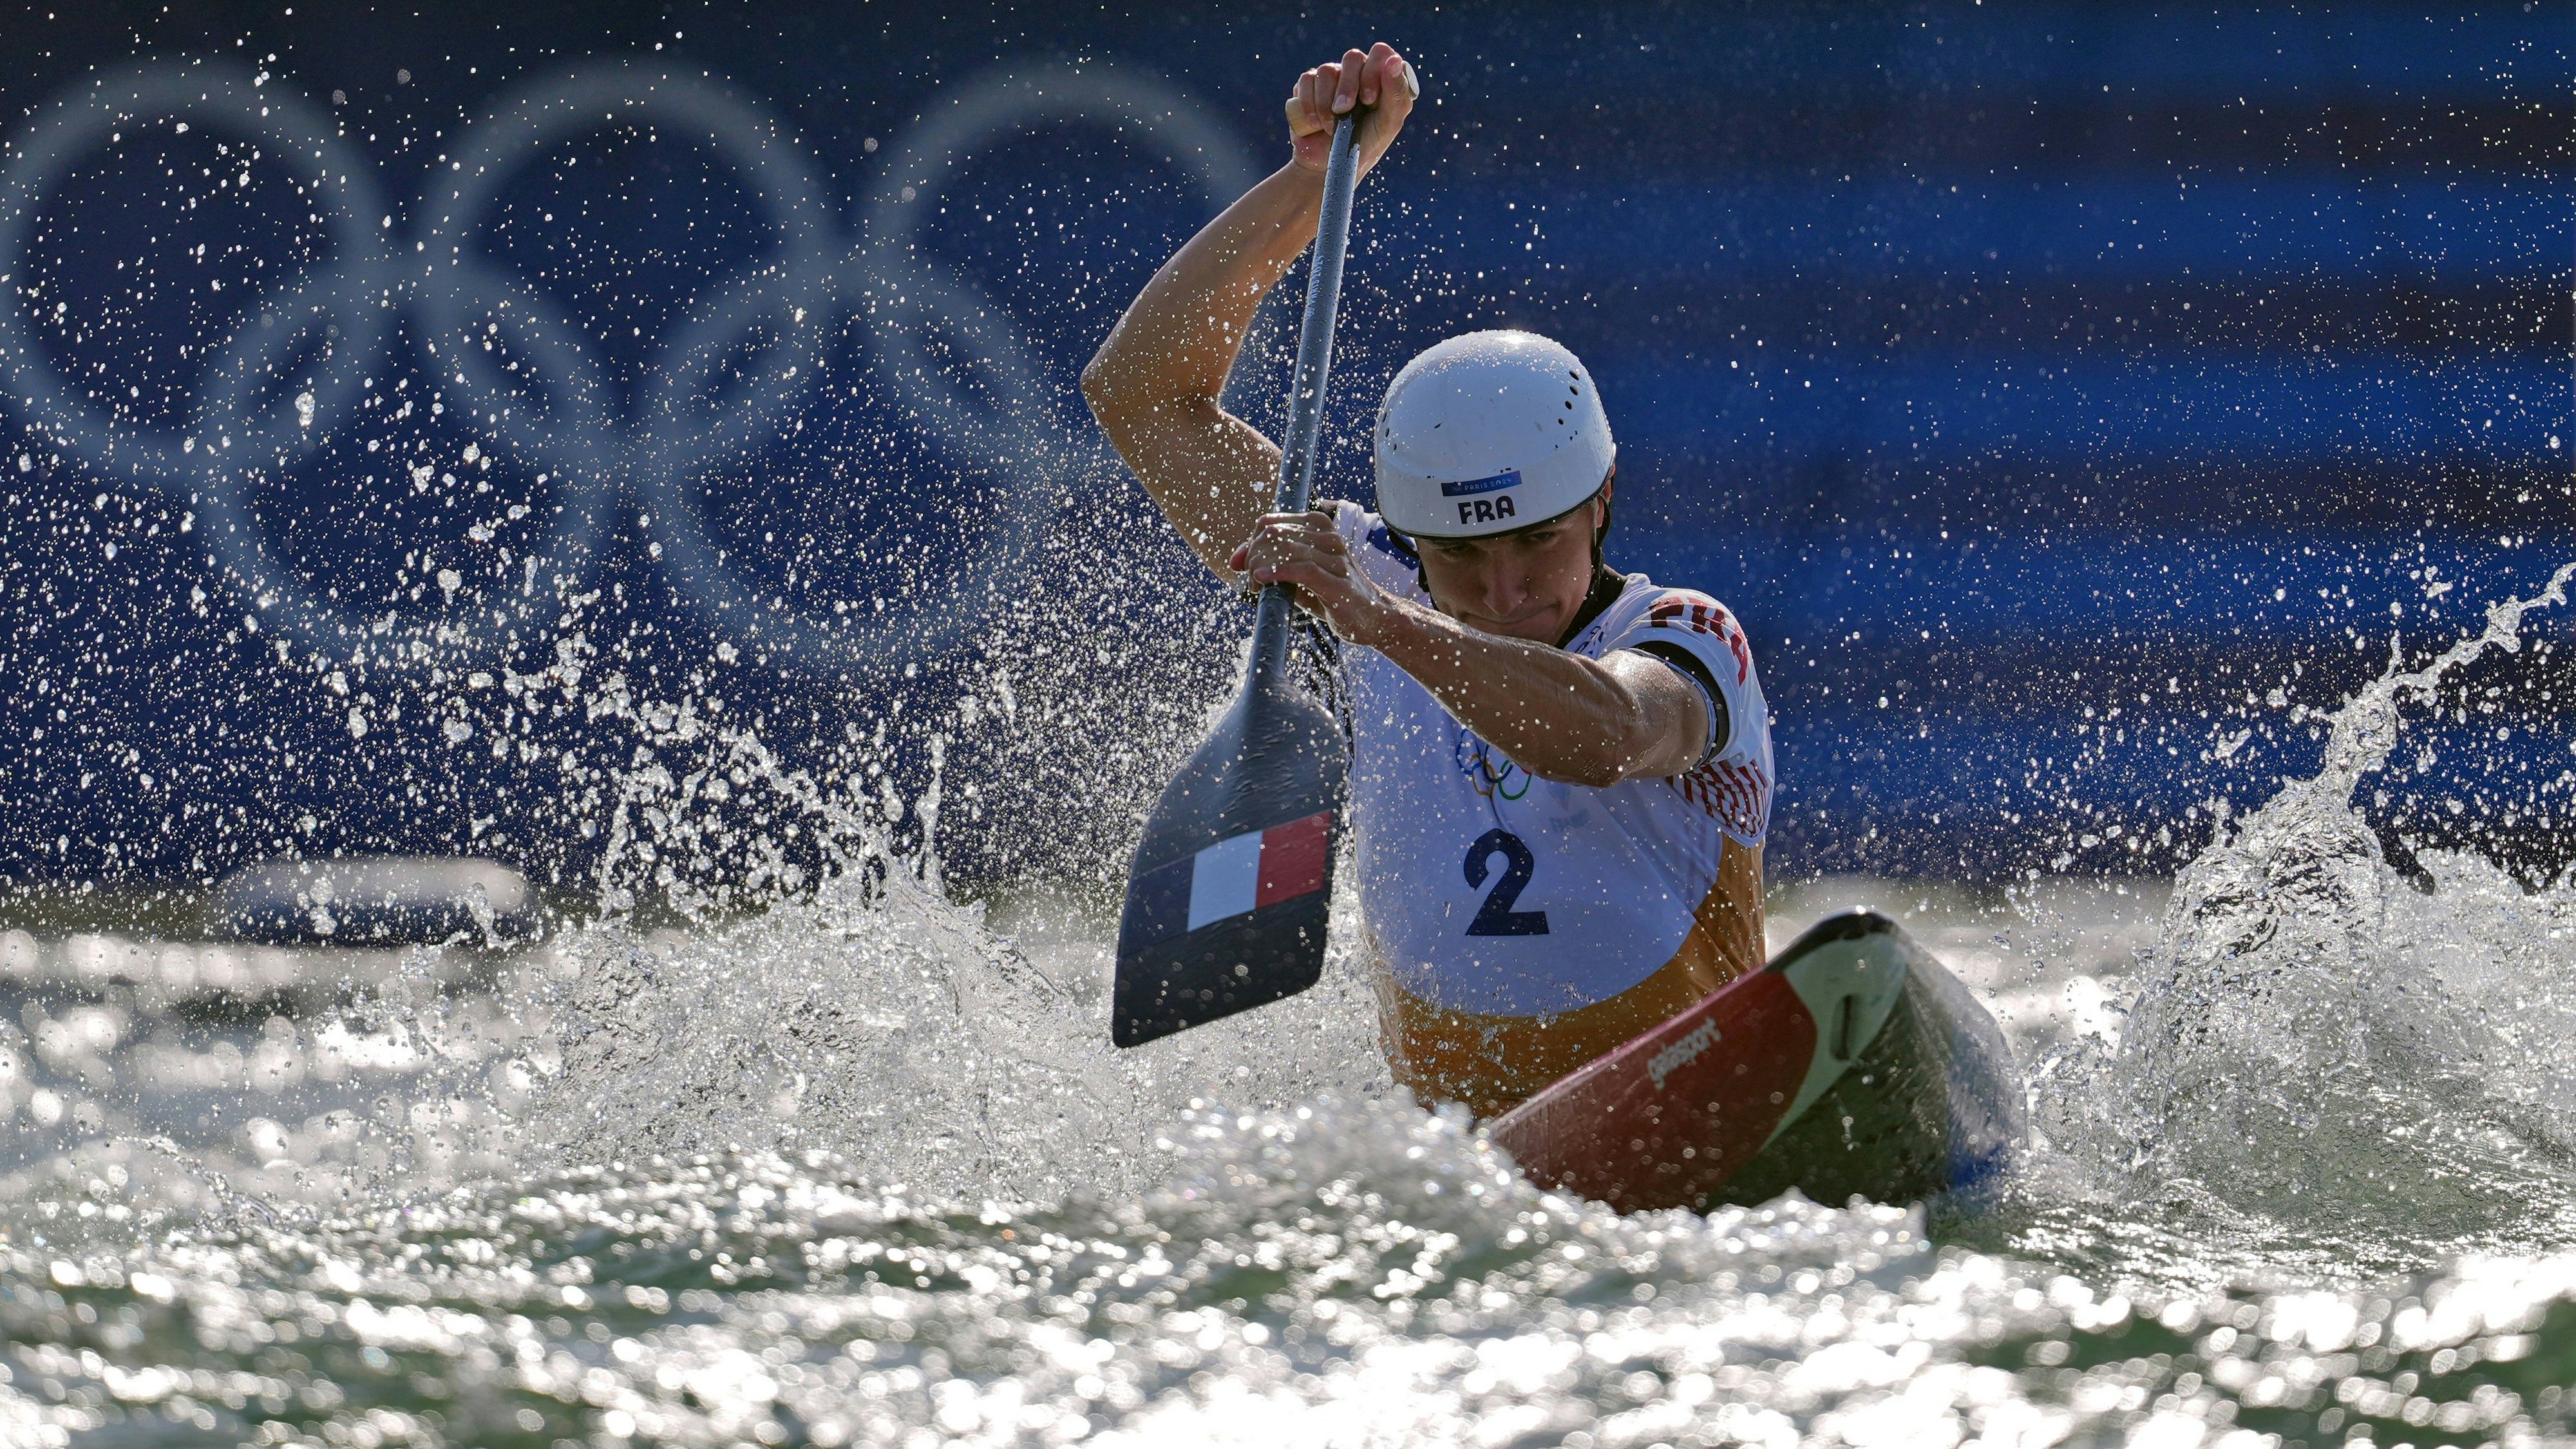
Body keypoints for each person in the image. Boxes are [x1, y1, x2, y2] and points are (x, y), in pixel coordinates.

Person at [1081, 44, 1772, 1119]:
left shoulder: (1687, 635)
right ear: (1414, 537)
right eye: (1458, 555)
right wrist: (1313, 183)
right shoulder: (1358, 577)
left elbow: (1607, 735)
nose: (1504, 590)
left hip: (1689, 1107)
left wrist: (1379, 617)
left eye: (1536, 543)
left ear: (1601, 498)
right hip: (1449, 1162)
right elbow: (1139, 393)